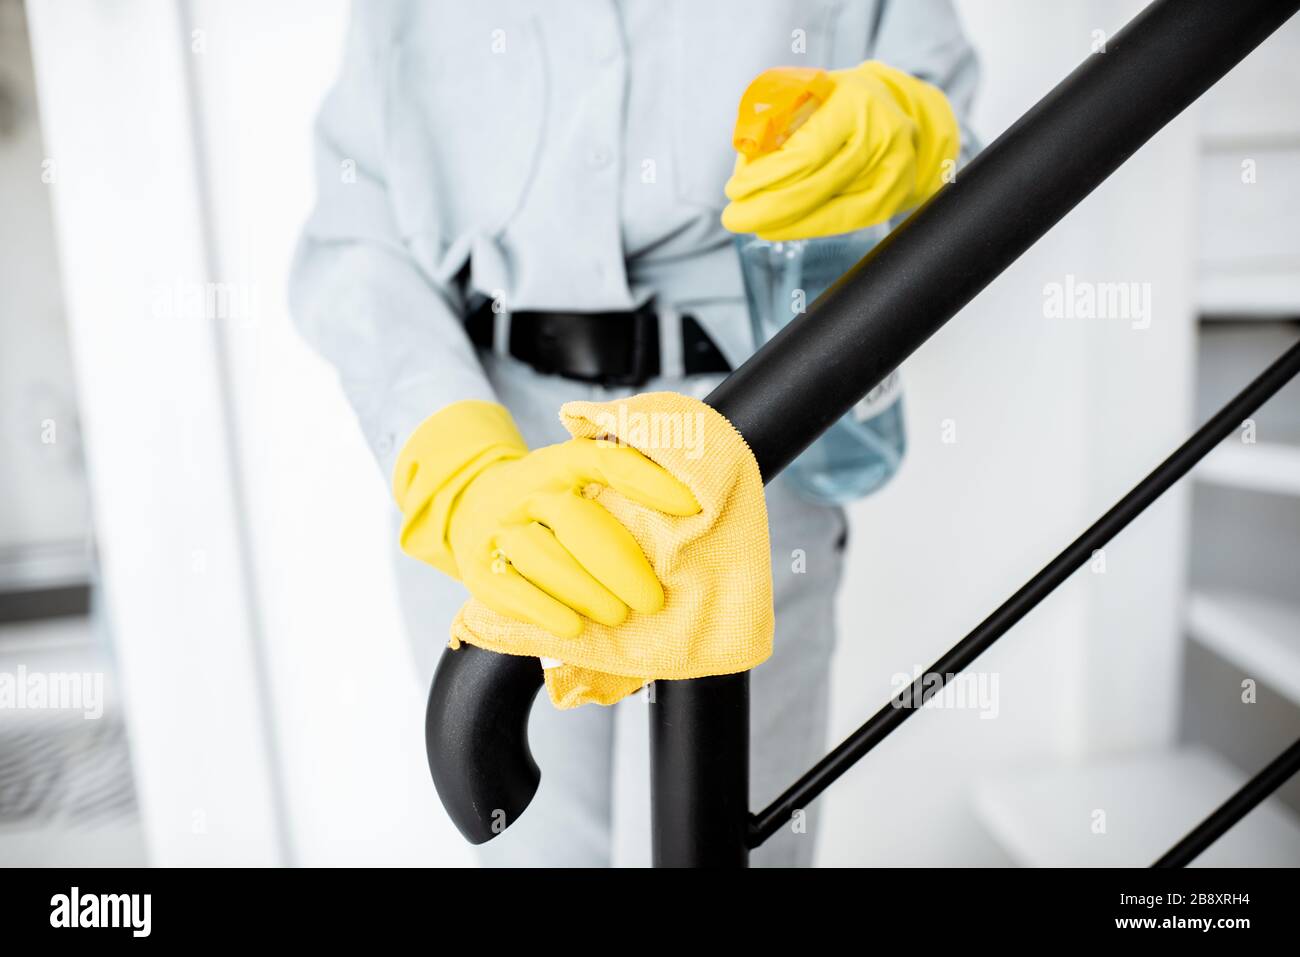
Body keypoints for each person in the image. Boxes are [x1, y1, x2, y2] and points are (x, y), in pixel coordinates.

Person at [290, 0, 978, 867]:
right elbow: (359, 226)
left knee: (743, 851)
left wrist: (918, 137)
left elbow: (969, 151)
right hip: (503, 447)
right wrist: (454, 464)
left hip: (751, 433)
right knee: (531, 852)